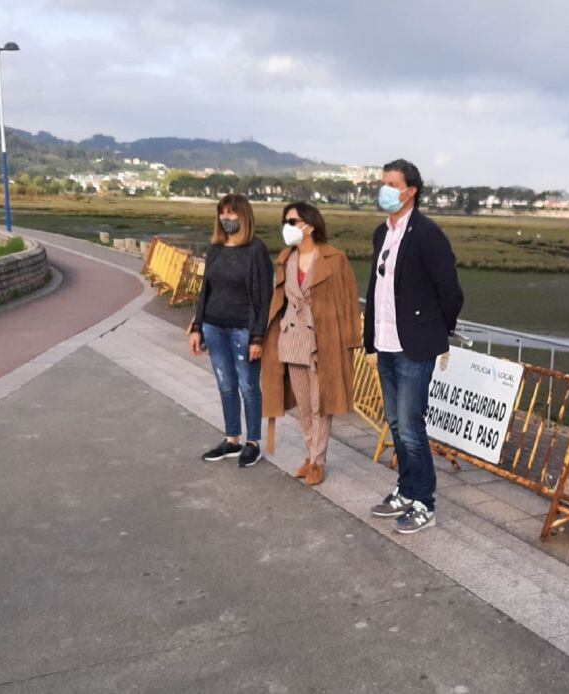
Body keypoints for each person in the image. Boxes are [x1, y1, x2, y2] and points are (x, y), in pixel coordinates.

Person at [365, 159, 463, 534]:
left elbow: (450, 292)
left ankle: (425, 501)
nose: (385, 190)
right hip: (385, 342)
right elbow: (380, 289)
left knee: (409, 426)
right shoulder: (382, 233)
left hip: (414, 346)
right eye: (383, 182)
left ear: (411, 192)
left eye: (392, 184)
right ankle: (405, 490)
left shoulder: (427, 234)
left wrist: (436, 332)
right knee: (394, 421)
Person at [261, 202, 361, 486]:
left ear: (310, 225)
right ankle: (309, 454)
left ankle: (318, 460)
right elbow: (279, 300)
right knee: (304, 405)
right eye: (286, 221)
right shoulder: (285, 258)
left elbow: (349, 301)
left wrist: (350, 341)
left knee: (321, 404)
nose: (287, 226)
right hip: (290, 339)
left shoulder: (334, 258)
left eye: (292, 221)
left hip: (322, 341)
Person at [188, 193, 273, 467]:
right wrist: (197, 327)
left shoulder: (256, 250)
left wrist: (258, 336)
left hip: (243, 330)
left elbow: (264, 297)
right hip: (214, 327)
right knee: (226, 386)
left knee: (249, 386)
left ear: (244, 216)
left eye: (231, 214)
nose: (226, 219)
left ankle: (253, 443)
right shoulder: (215, 248)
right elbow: (205, 291)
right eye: (222, 214)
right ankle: (232, 439)